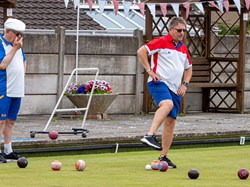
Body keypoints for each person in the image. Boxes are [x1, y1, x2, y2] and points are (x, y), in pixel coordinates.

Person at [137, 17, 193, 168]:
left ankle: (164, 157)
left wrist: (185, 84)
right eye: (179, 30)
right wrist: (149, 70)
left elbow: (189, 68)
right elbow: (141, 51)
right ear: (171, 30)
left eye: (184, 31)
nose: (182, 33)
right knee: (166, 104)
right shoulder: (161, 41)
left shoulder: (183, 48)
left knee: (171, 122)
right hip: (159, 83)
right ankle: (150, 135)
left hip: (176, 89)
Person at [0, 18, 26, 163]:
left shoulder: (19, 47)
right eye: (16, 34)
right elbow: (2, 65)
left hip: (17, 89)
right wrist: (15, 48)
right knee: (0, 121)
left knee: (11, 121)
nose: (18, 37)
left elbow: (23, 61)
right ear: (8, 31)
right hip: (4, 88)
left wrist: (22, 77)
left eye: (20, 34)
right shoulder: (1, 44)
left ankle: (8, 151)